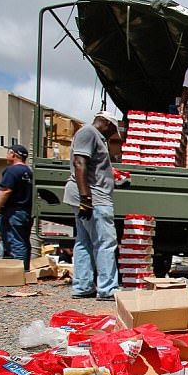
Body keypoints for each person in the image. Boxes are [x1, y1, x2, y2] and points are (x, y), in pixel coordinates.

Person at [63, 111, 120, 301]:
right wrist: (86, 198)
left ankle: (83, 285)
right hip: (95, 198)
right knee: (106, 242)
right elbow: (79, 164)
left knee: (84, 241)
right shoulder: (89, 133)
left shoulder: (91, 135)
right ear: (106, 123)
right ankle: (107, 288)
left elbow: (90, 167)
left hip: (91, 195)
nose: (112, 133)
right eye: (112, 129)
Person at [0, 144, 33, 269]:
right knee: (23, 242)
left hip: (12, 213)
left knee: (15, 242)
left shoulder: (12, 170)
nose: (7, 155)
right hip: (25, 212)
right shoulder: (29, 172)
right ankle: (24, 270)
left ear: (13, 154)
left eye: (8, 152)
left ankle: (19, 273)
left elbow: (5, 190)